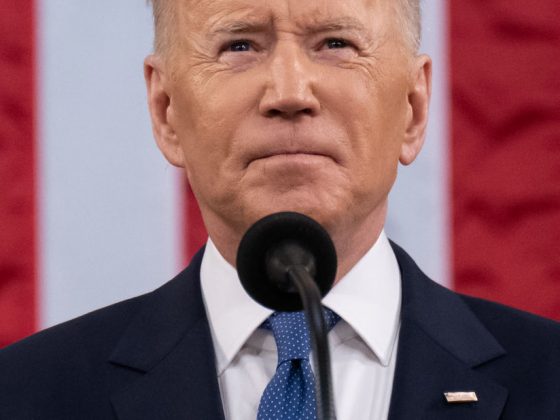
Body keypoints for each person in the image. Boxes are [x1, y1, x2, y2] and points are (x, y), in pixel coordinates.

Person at [1, 0, 559, 418]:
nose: (290, 92)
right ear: (166, 110)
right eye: (239, 46)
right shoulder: (24, 394)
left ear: (413, 108)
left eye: (336, 43)